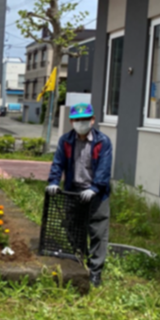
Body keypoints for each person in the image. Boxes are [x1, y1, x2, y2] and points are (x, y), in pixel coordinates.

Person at [46, 103, 113, 287]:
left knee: (98, 232)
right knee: (72, 226)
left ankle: (95, 272)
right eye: (77, 120)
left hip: (96, 193)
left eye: (85, 119)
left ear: (93, 120)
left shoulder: (102, 142)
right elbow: (58, 163)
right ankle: (79, 260)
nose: (81, 123)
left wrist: (95, 187)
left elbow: (104, 169)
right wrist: (53, 182)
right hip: (74, 191)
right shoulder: (66, 141)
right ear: (71, 121)